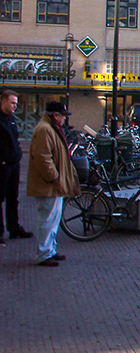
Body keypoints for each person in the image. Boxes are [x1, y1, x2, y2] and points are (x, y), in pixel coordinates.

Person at [26, 101, 80, 266]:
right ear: (55, 115)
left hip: (51, 184)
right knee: (47, 219)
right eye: (63, 115)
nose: (65, 119)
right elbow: (43, 157)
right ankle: (44, 253)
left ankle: (50, 250)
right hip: (48, 185)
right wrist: (54, 178)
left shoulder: (49, 128)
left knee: (52, 218)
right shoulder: (45, 130)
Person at [0, 90, 32, 245]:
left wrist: (18, 154)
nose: (15, 106)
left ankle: (14, 227)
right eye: (12, 103)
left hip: (14, 162)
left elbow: (15, 138)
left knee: (13, 197)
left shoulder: (11, 119)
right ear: (3, 101)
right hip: (3, 165)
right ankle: (0, 231)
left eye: (16, 103)